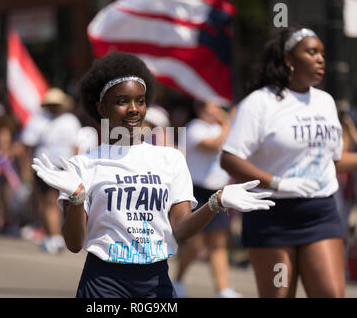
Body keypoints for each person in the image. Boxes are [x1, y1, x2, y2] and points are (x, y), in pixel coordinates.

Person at [31, 52, 275, 298]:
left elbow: (181, 229)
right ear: (101, 107)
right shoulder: (83, 164)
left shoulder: (170, 159)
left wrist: (217, 202)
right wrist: (76, 198)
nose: (134, 109)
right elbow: (74, 245)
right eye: (122, 101)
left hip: (156, 283)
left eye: (140, 100)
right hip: (103, 284)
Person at [220, 27, 357, 297]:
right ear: (288, 59)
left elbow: (334, 160)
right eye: (312, 52)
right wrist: (277, 182)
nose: (321, 59)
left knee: (331, 293)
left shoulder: (325, 101)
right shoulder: (260, 103)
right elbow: (230, 158)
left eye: (322, 53)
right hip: (272, 216)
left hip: (321, 212)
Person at [173, 100, 242, 298]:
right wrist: (228, 124)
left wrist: (227, 124)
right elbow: (212, 147)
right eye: (211, 106)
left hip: (218, 191)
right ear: (200, 109)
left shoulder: (221, 128)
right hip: (197, 191)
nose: (216, 110)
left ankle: (222, 289)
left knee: (218, 243)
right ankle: (178, 281)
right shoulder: (195, 127)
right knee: (195, 243)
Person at [20, 88, 81, 254]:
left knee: (54, 203)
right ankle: (52, 235)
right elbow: (27, 146)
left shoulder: (70, 120)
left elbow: (76, 147)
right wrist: (26, 169)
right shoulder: (38, 120)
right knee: (47, 202)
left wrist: (75, 168)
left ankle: (56, 236)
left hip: (64, 166)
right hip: (44, 166)